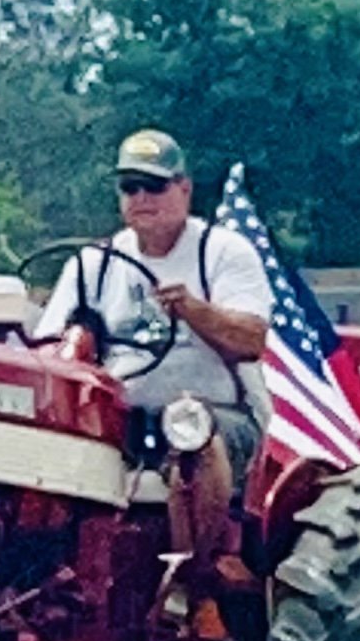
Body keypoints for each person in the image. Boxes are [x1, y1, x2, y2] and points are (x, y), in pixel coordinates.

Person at [32, 129, 272, 571]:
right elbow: (49, 354)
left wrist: (194, 310)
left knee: (194, 438)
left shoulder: (221, 252)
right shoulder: (91, 265)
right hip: (118, 419)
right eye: (130, 187)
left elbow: (251, 340)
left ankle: (196, 586)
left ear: (184, 188)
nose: (142, 197)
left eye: (155, 185)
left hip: (218, 414)